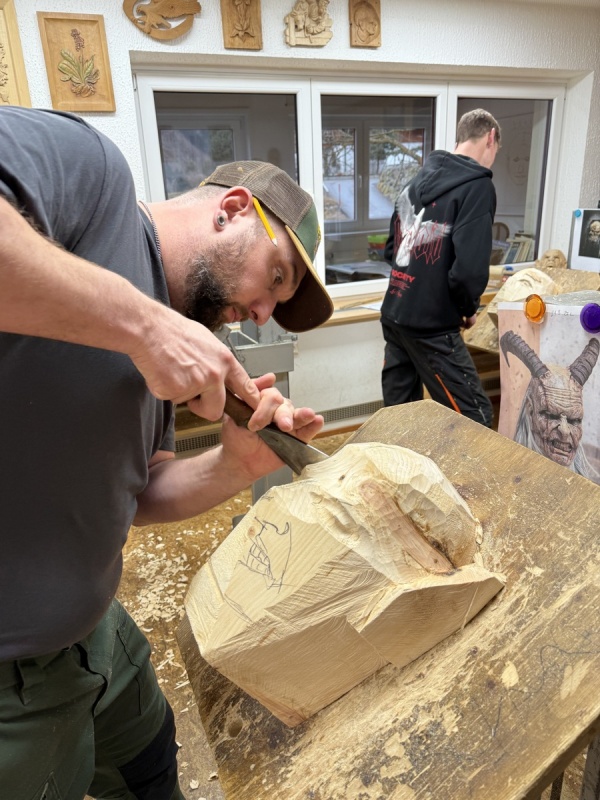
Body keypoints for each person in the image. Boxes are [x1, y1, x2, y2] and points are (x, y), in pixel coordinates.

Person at [0, 106, 333, 800]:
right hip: (11, 677)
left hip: (95, 633)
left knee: (152, 770)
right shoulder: (93, 175)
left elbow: (138, 491)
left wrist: (234, 465)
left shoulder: (177, 335)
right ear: (232, 211)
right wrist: (143, 327)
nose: (263, 313)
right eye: (275, 276)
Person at [380, 108, 500, 428]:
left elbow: (392, 249)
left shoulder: (413, 182)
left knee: (401, 414)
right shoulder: (478, 187)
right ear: (490, 138)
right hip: (431, 324)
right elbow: (469, 271)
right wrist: (467, 308)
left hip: (394, 312)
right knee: (476, 419)